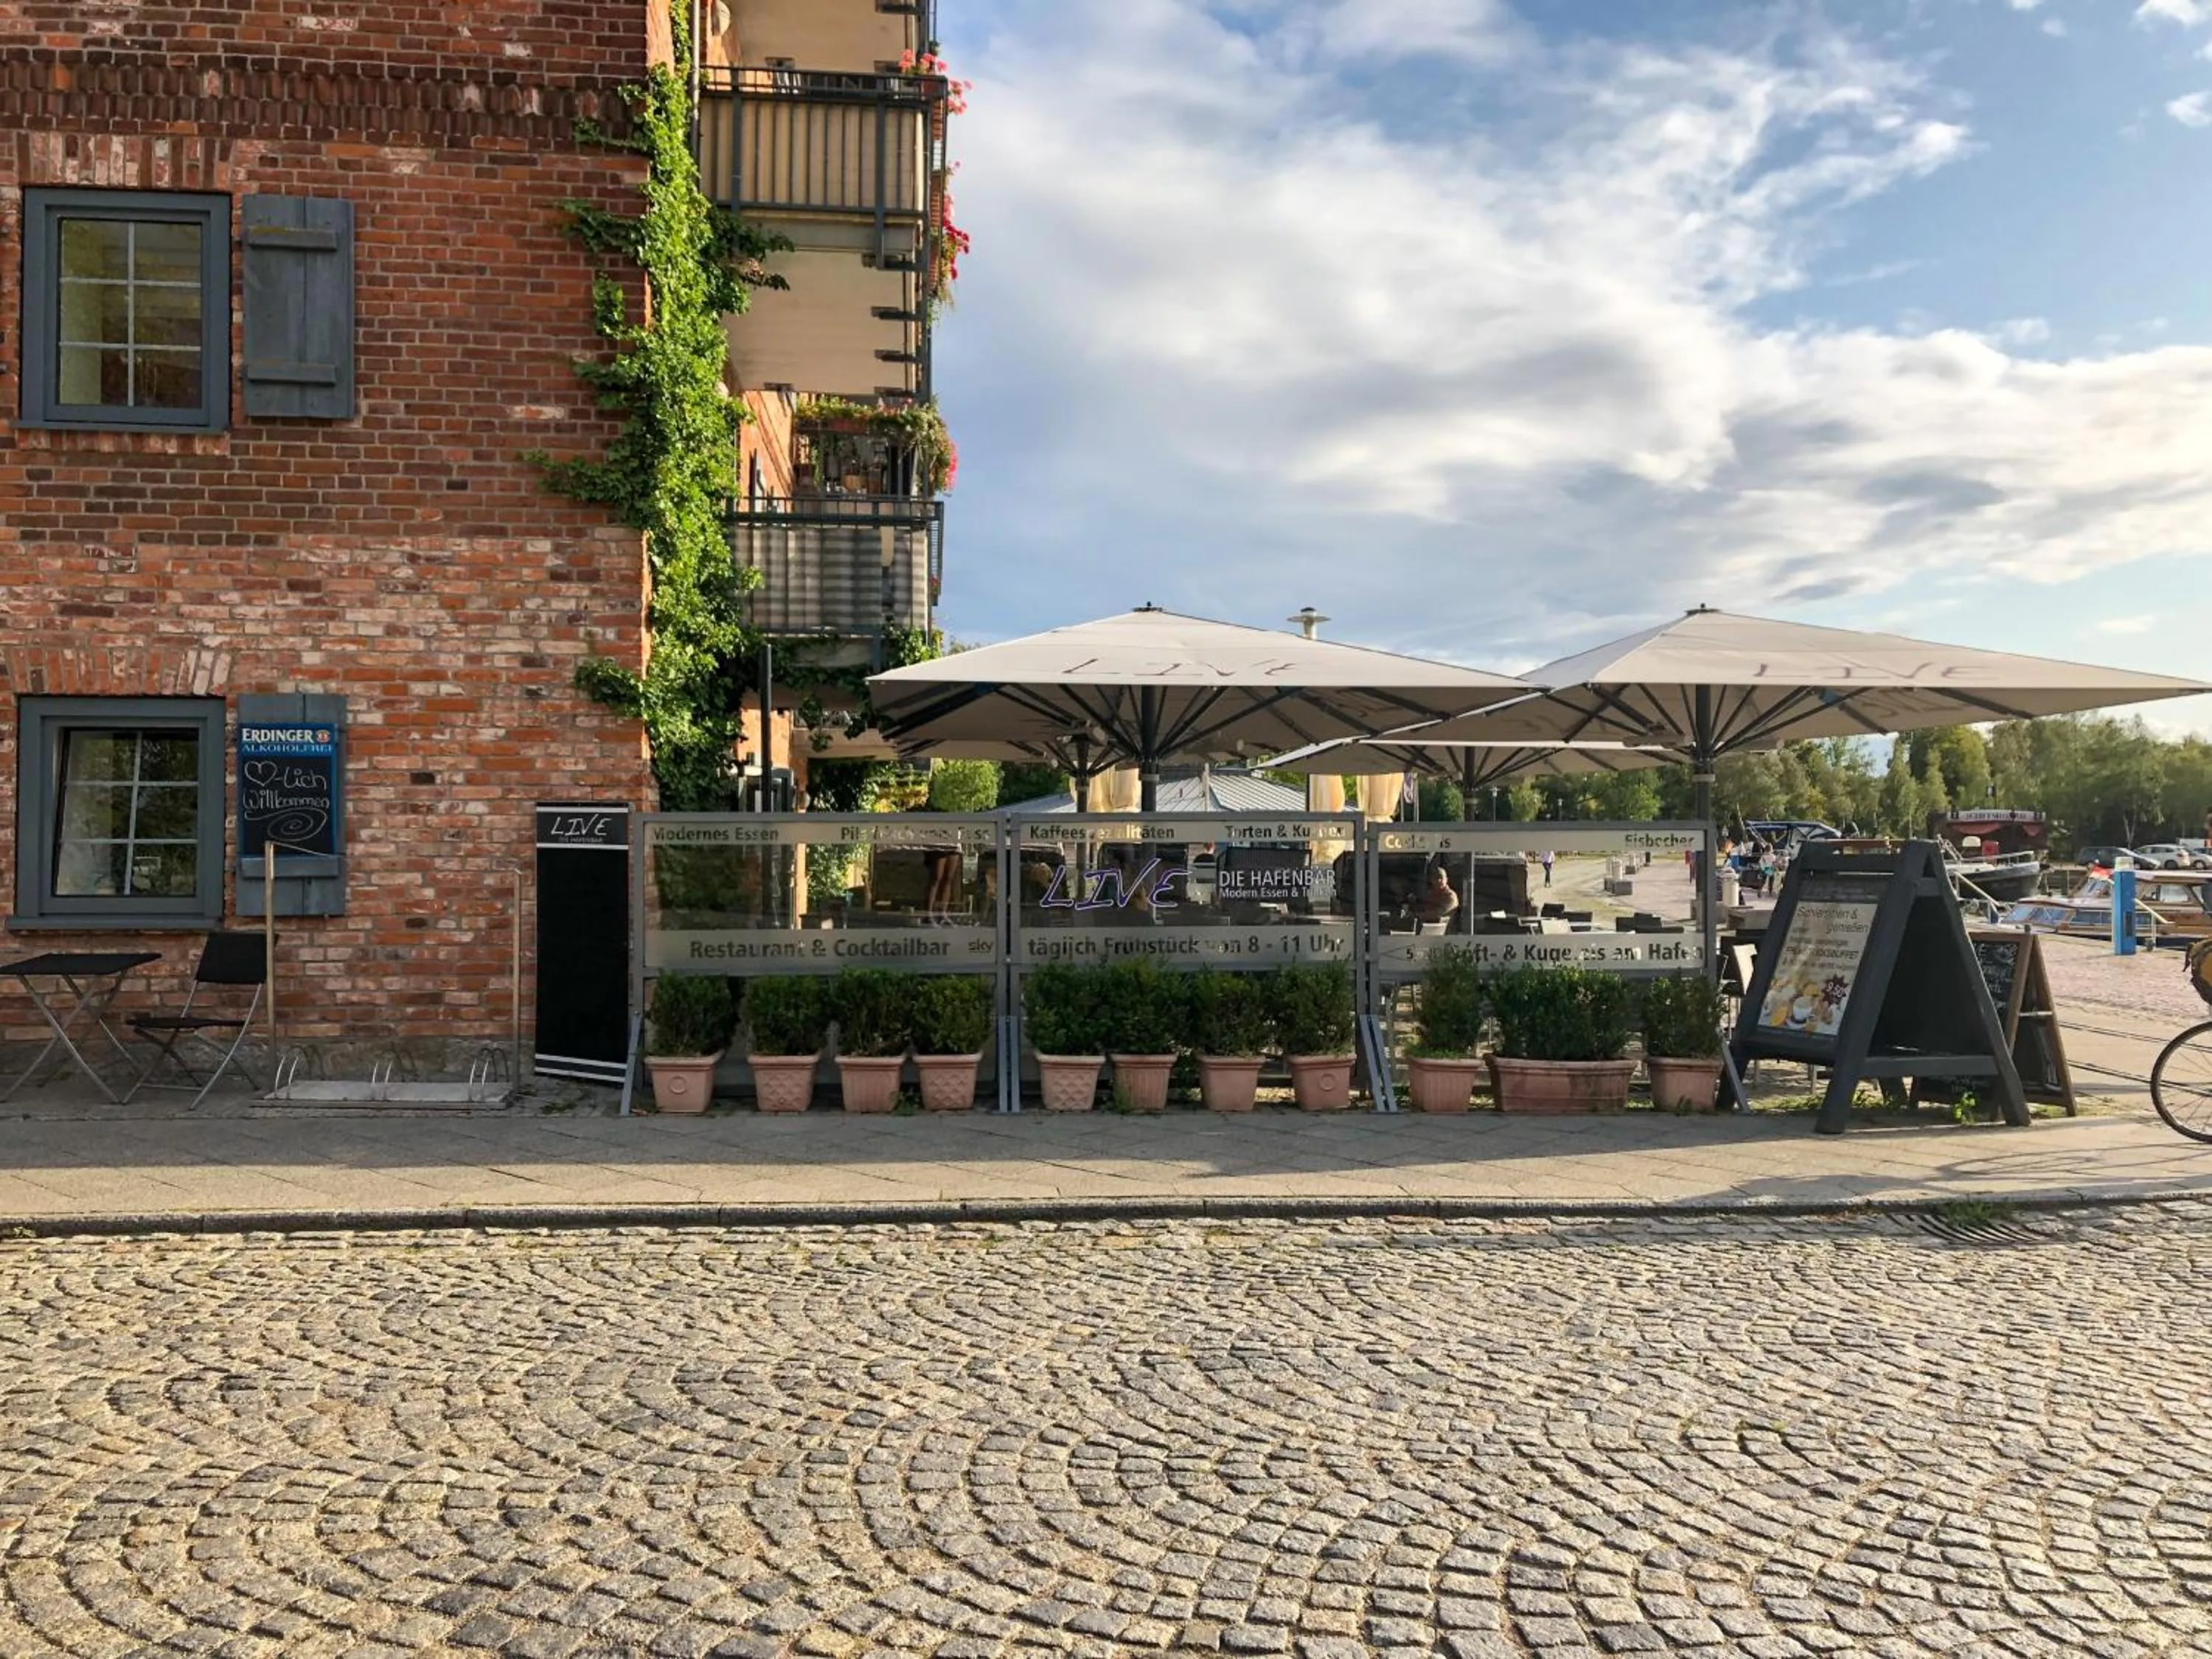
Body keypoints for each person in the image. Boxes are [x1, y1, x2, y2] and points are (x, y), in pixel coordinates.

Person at [1407, 864, 1459, 928]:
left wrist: (1418, 915)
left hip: (1445, 932)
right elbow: (1422, 907)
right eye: (1436, 878)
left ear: (1446, 879)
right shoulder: (1429, 894)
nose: (1439, 881)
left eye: (1441, 877)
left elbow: (1437, 913)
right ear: (1431, 880)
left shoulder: (1450, 896)